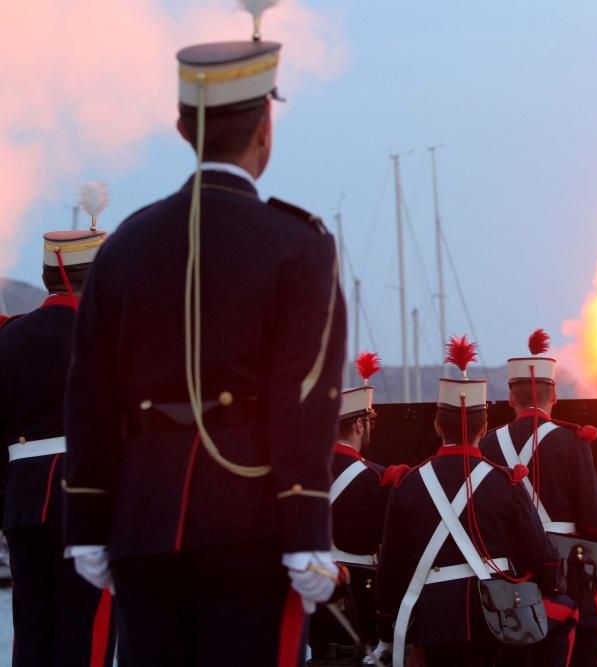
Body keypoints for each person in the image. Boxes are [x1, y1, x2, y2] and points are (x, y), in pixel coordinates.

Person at [61, 5, 346, 665]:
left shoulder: (125, 244)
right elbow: (301, 395)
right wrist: (306, 524)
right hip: (251, 521)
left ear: (183, 126)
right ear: (265, 130)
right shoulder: (298, 247)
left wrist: (88, 522)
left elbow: (90, 393)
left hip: (142, 519)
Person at [376, 336, 565, 667]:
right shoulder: (506, 482)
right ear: (485, 426)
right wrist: (554, 583)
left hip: (433, 620)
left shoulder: (409, 485)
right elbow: (537, 548)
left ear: (437, 426)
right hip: (497, 618)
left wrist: (388, 617)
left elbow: (391, 563)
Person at [0, 206, 116, 666]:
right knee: (85, 639)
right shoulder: (113, 337)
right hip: (93, 501)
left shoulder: (8, 339)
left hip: (23, 504)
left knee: (31, 637)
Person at [480, 329, 597, 667]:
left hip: (503, 566)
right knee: (595, 616)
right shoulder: (573, 441)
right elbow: (595, 518)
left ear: (511, 398)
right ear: (553, 395)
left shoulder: (488, 445)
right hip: (563, 562)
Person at [309, 352, 394, 665]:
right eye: (368, 422)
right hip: (357, 594)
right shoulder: (376, 478)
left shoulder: (304, 473)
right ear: (359, 425)